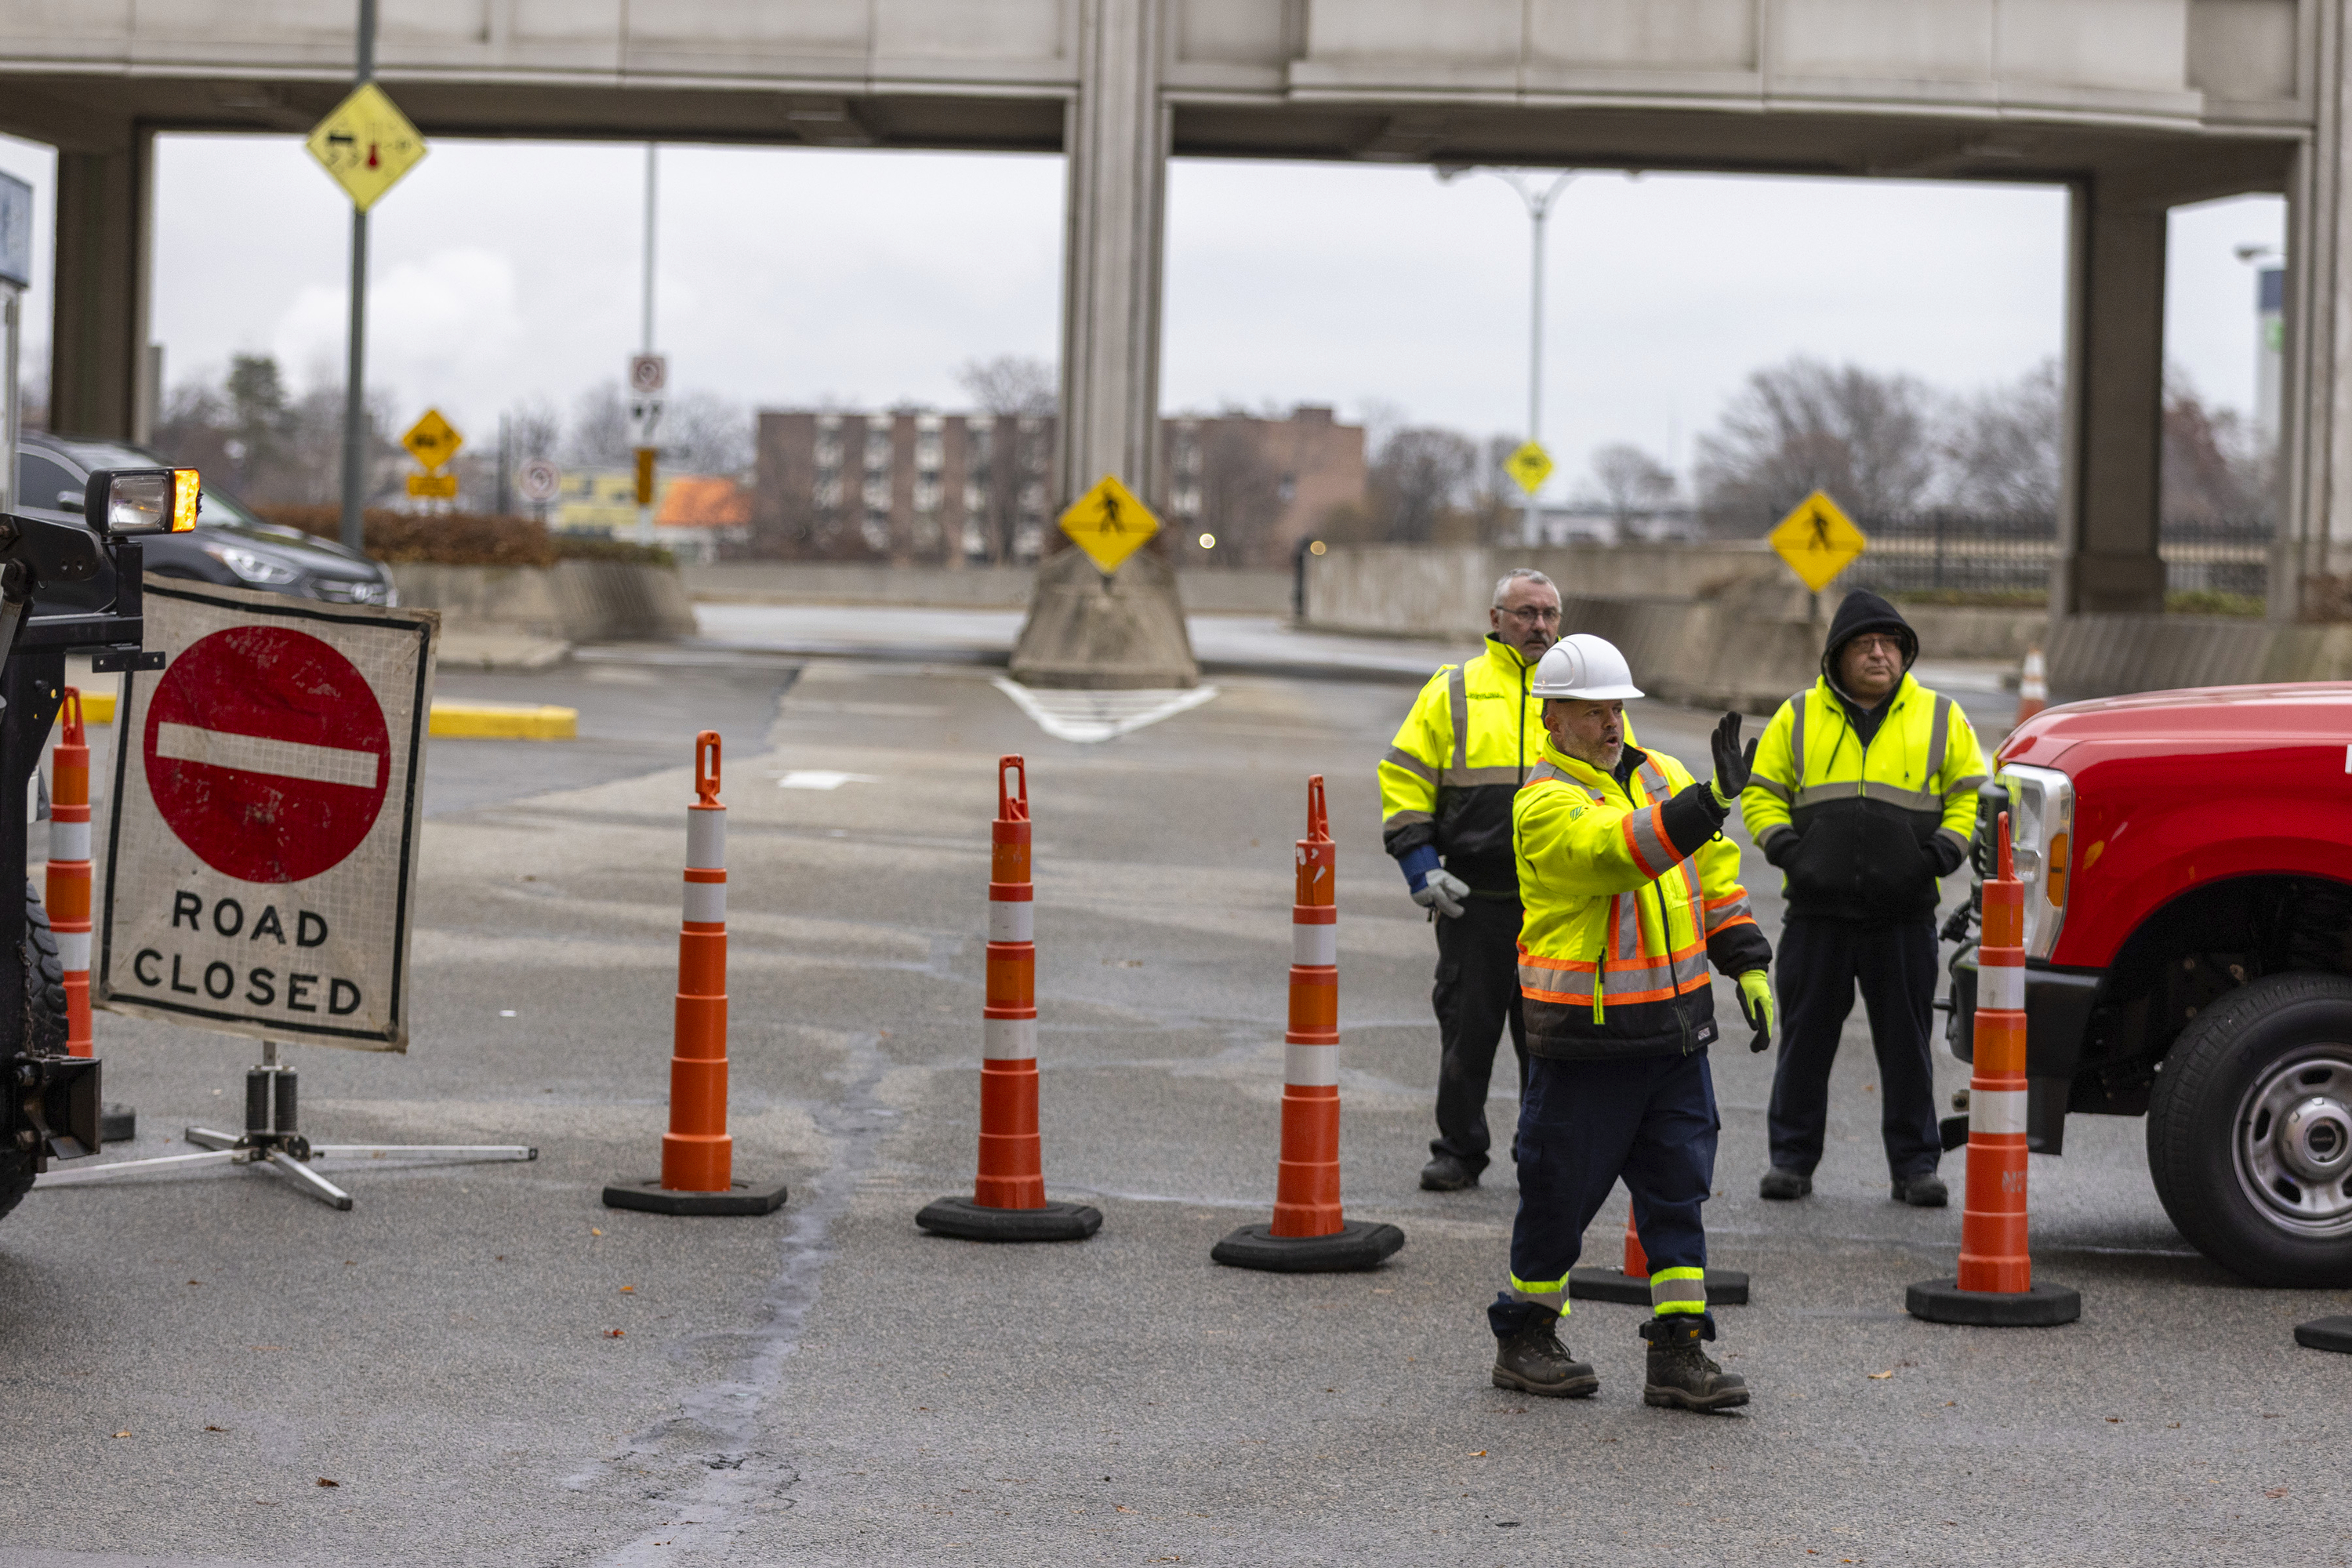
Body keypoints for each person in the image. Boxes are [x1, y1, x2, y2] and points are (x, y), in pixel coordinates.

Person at [1486, 633, 1774, 1412]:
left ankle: (1679, 1351)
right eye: (1591, 710)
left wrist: (1744, 956)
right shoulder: (1544, 800)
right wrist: (1709, 802)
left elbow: (1712, 872)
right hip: (1588, 1037)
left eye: (1617, 706)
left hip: (1675, 1034)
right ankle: (1526, 1333)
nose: (1611, 722)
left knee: (1678, 1191)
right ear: (1552, 718)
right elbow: (1619, 852)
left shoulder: (1663, 775)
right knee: (1558, 1191)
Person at [1379, 568, 1637, 1192]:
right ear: (1495, 619)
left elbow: (1625, 781)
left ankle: (1542, 1152)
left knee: (1550, 1041)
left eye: (1549, 614)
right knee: (1467, 1035)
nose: (1539, 626)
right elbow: (1405, 778)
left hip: (1558, 906)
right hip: (1475, 902)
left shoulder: (1586, 693)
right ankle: (1459, 1151)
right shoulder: (1455, 690)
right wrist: (1420, 864)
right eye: (1525, 614)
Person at [1740, 589, 1987, 1207]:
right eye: (1864, 645)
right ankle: (1791, 1162)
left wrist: (1940, 858)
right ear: (1836, 657)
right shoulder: (1796, 717)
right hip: (1816, 917)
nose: (1880, 654)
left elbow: (1971, 798)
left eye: (1890, 645)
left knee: (1906, 1049)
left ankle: (1915, 1168)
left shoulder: (1941, 717)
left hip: (1903, 918)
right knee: (1804, 1043)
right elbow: (1761, 795)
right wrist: (1793, 855)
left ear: (1904, 655)